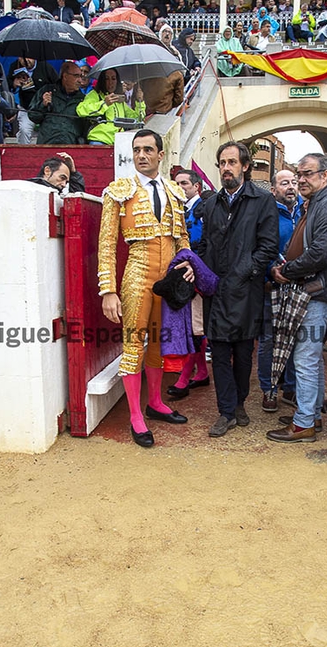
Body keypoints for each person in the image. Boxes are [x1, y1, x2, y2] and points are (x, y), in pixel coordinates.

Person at [97, 129, 192, 448]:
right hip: (137, 271)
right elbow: (107, 243)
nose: (141, 155)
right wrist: (108, 290)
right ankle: (136, 415)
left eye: (148, 149)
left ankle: (155, 403)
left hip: (167, 277)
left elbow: (182, 241)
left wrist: (187, 267)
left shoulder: (175, 192)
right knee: (134, 342)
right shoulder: (118, 190)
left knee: (158, 342)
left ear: (160, 155)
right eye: (137, 150)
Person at [193, 142, 278, 437]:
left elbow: (268, 246)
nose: (226, 168)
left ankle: (239, 402)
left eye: (232, 162)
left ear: (244, 166)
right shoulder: (213, 204)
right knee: (218, 352)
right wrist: (204, 273)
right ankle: (226, 411)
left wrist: (243, 275)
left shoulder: (263, 201)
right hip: (215, 291)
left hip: (245, 292)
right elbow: (204, 243)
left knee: (242, 354)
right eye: (222, 163)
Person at [266, 152, 327, 443]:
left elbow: (321, 253)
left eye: (308, 173)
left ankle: (303, 425)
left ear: (324, 175)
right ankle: (311, 415)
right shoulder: (313, 206)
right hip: (309, 291)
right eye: (299, 174)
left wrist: (287, 270)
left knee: (305, 359)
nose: (301, 179)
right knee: (310, 359)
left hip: (315, 292)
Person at [166, 168, 212, 399]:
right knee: (191, 327)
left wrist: (197, 268)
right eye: (176, 183)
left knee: (195, 328)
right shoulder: (175, 210)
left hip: (196, 274)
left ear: (197, 187)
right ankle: (201, 371)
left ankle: (185, 378)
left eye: (184, 183)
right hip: (180, 274)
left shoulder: (204, 211)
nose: (180, 187)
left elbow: (207, 243)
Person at [258, 169, 301, 412]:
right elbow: (261, 247)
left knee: (296, 339)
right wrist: (270, 272)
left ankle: (291, 388)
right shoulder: (268, 215)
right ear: (274, 190)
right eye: (284, 183)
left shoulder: (306, 213)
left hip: (299, 288)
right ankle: (269, 389)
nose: (291, 187)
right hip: (273, 287)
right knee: (269, 341)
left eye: (294, 182)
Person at [76, 68, 145, 146]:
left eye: (113, 79)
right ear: (102, 80)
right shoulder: (95, 94)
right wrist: (104, 104)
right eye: (106, 79)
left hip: (119, 142)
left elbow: (138, 119)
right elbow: (80, 111)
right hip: (99, 140)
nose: (110, 82)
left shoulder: (118, 99)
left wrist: (140, 102)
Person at [28, 61, 85, 145]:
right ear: (65, 76)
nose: (80, 81)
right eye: (76, 76)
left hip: (71, 145)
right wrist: (43, 104)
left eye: (81, 76)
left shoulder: (82, 99)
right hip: (47, 143)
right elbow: (33, 116)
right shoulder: (46, 91)